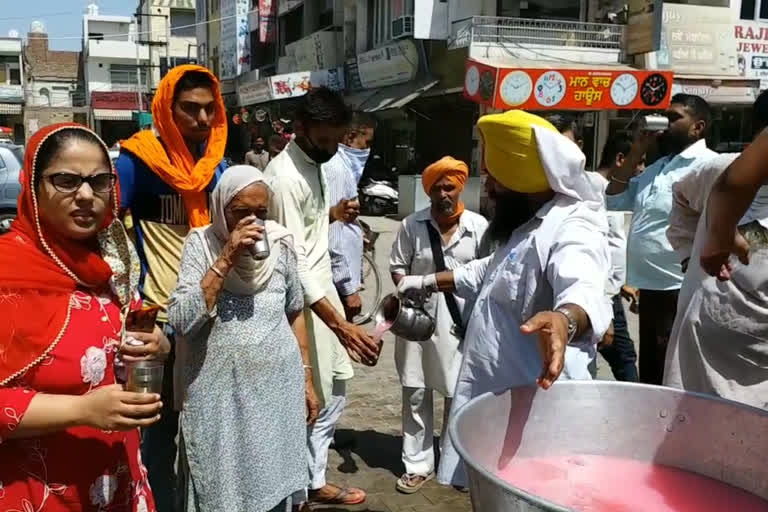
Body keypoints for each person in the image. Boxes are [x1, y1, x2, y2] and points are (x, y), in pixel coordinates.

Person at [398, 110, 611, 488]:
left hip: (535, 408)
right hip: (496, 397)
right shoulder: (525, 224)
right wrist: (426, 281)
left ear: (523, 181)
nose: (490, 190)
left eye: (497, 181)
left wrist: (565, 320)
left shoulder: (574, 224)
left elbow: (584, 285)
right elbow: (487, 272)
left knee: (531, 490)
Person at [0, 123, 170, 511]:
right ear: (32, 186)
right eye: (65, 180)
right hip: (37, 493)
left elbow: (126, 347)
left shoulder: (112, 266)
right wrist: (82, 410)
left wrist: (159, 345)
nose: (86, 195)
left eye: (99, 181)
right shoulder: (6, 272)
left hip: (117, 482)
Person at [168, 166, 319, 512]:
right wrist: (226, 258)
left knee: (273, 483)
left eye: (261, 213)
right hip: (221, 401)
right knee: (222, 488)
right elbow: (181, 319)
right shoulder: (202, 244)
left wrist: (306, 378)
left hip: (276, 394)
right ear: (221, 208)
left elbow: (294, 311)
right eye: (241, 212)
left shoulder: (280, 246)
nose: (253, 221)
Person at [116, 64, 228, 512]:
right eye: (190, 109)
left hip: (210, 319)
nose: (202, 120)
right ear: (166, 108)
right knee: (156, 438)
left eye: (209, 109)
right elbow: (106, 230)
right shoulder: (137, 163)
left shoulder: (218, 166)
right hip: (157, 326)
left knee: (207, 434)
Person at [263, 87, 378, 506]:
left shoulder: (315, 165)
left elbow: (310, 233)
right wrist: (341, 326)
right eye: (324, 140)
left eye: (337, 139)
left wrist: (332, 216)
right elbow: (296, 265)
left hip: (323, 295)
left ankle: (312, 479)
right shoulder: (284, 177)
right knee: (307, 399)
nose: (332, 149)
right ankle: (299, 489)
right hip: (300, 307)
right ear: (299, 129)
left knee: (334, 395)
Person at [663, 92, 768, 410]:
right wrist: (688, 253)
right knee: (687, 432)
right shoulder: (720, 170)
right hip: (700, 340)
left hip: (760, 354)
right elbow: (682, 197)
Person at [389, 157, 488, 493]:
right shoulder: (411, 225)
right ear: (428, 191)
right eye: (437, 188)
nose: (443, 193)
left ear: (461, 187)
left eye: (450, 186)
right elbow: (397, 266)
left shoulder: (479, 227)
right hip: (417, 324)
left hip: (461, 325)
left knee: (456, 394)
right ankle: (417, 464)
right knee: (415, 392)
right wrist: (407, 287)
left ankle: (453, 460)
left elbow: (488, 274)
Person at [605, 94, 716, 385]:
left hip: (680, 285)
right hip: (651, 286)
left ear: (698, 127)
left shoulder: (708, 166)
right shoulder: (658, 166)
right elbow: (614, 199)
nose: (667, 123)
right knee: (653, 364)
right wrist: (637, 150)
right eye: (665, 116)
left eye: (675, 117)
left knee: (670, 370)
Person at [591, 134, 643, 382]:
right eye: (639, 161)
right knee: (623, 357)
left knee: (621, 356)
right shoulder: (593, 190)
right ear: (621, 159)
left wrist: (624, 283)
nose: (642, 169)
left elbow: (612, 246)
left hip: (611, 290)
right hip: (599, 292)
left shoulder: (619, 194)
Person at [325, 112, 376, 320]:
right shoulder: (337, 169)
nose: (367, 150)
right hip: (338, 286)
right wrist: (348, 288)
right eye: (366, 143)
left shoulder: (341, 167)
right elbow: (333, 235)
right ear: (349, 137)